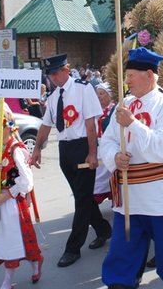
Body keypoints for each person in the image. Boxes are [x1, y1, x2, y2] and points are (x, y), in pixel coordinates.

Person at [99, 47, 163, 289]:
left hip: (159, 199)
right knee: (121, 260)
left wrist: (133, 124)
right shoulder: (124, 103)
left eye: (130, 76)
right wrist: (114, 157)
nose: (126, 81)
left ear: (149, 75)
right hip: (128, 200)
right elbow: (106, 141)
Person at [31, 53, 111, 268]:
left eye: (56, 73)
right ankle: (103, 229)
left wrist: (92, 152)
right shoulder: (54, 96)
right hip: (65, 149)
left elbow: (90, 124)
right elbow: (46, 125)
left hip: (83, 145)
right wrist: (37, 148)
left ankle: (72, 248)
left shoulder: (83, 89)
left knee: (82, 200)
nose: (54, 78)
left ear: (66, 70)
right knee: (81, 196)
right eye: (50, 75)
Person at [0, 110, 43, 289]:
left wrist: (8, 194)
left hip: (13, 203)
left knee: (17, 240)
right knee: (5, 241)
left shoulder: (17, 150)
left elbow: (27, 181)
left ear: (6, 129)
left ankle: (27, 269)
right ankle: (11, 276)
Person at [93, 82, 115, 204]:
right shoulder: (96, 111)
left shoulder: (114, 110)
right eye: (98, 94)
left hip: (111, 147)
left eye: (102, 93)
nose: (99, 97)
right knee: (98, 175)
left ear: (109, 95)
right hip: (98, 148)